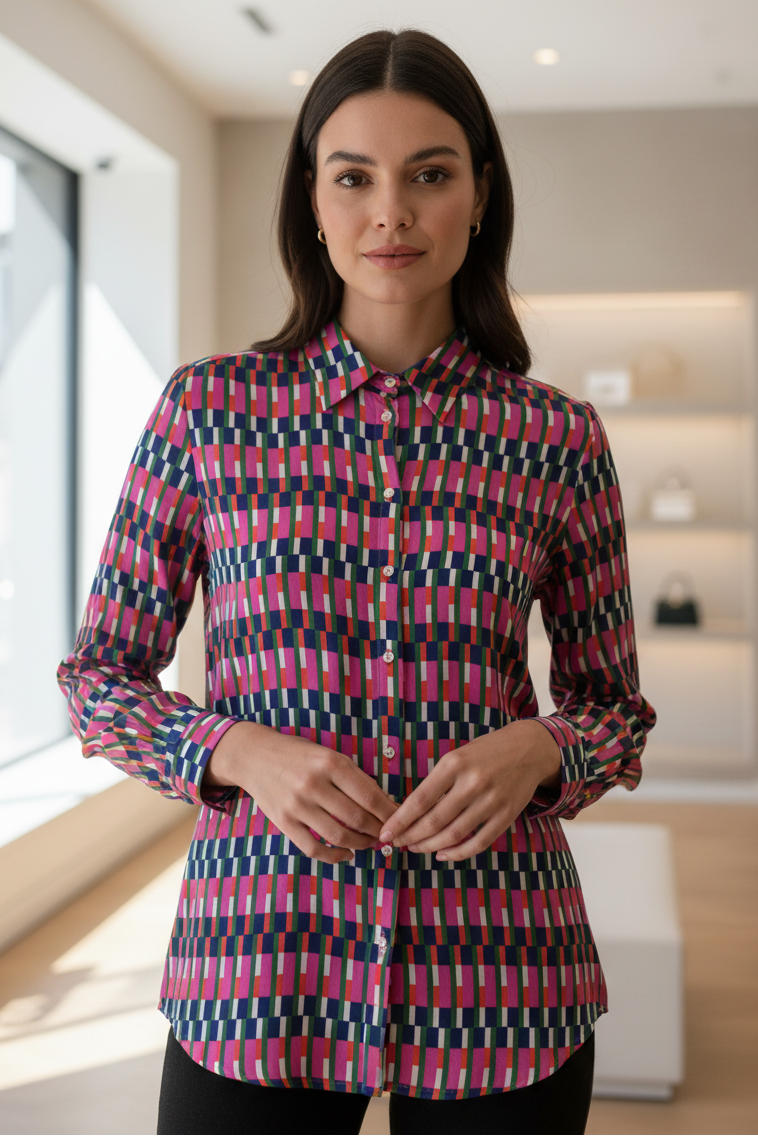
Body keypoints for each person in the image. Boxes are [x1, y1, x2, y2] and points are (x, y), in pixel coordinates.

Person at [58, 28, 655, 1136]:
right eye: (354, 177)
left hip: (501, 974)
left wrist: (544, 746)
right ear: (314, 201)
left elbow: (612, 709)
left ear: (478, 197)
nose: (391, 212)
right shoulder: (208, 413)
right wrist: (231, 747)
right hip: (259, 967)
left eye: (429, 174)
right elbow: (97, 679)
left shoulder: (555, 439)